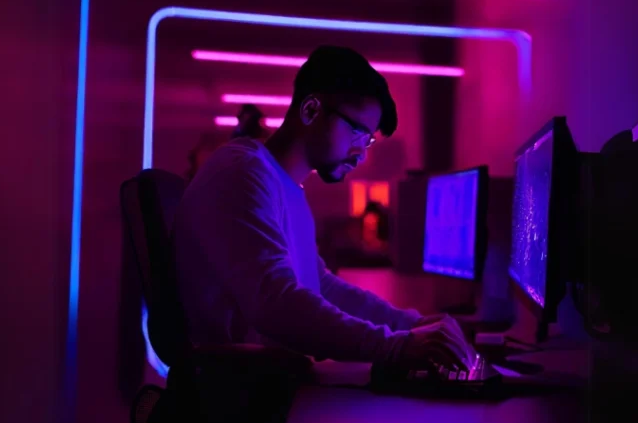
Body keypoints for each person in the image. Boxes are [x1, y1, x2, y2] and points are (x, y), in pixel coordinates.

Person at [174, 45, 474, 370]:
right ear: (311, 110)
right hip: (243, 395)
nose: (361, 154)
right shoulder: (243, 172)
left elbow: (321, 285)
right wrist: (396, 346)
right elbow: (276, 304)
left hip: (272, 381)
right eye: (357, 132)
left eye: (368, 140)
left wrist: (410, 326)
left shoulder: (282, 182)